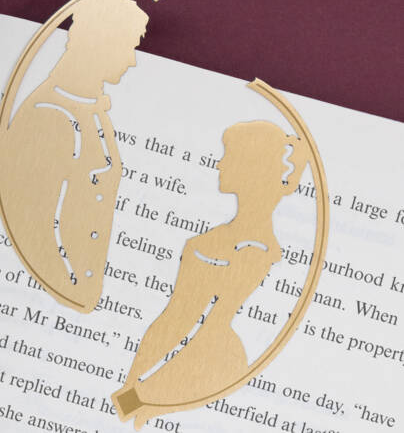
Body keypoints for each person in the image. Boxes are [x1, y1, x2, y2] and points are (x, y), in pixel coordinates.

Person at [112, 121, 308, 428]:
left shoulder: (245, 249)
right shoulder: (232, 242)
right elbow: (175, 319)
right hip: (191, 364)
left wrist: (135, 392)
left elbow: (191, 323)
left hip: (203, 366)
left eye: (229, 155)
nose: (219, 163)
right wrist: (132, 383)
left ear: (251, 168)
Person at [0, 0, 149, 313]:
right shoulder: (50, 117)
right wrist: (69, 292)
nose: (132, 61)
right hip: (50, 299)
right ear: (100, 45)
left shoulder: (91, 108)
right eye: (129, 47)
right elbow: (32, 226)